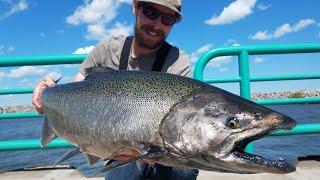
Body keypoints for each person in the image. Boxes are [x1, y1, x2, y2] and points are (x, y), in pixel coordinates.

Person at [32, 0, 198, 179]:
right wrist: (46, 93)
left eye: (167, 18)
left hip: (159, 153)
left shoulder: (177, 60)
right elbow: (74, 90)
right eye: (150, 12)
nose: (156, 24)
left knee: (183, 170)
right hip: (113, 154)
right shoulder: (108, 48)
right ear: (135, 7)